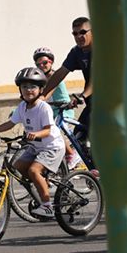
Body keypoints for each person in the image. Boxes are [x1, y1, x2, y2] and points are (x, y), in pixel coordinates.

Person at [0, 67, 66, 219]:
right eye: (24, 86)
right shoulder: (22, 107)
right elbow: (10, 123)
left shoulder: (43, 108)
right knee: (18, 167)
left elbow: (48, 130)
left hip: (52, 147)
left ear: (40, 89)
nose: (28, 90)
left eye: (33, 86)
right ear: (20, 90)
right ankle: (41, 184)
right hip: (36, 146)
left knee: (33, 171)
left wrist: (35, 134)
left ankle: (47, 207)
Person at [39, 16, 93, 155]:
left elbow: (99, 79)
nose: (79, 36)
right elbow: (60, 73)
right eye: (75, 33)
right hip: (93, 102)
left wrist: (83, 96)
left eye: (83, 32)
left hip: (112, 101)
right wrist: (42, 96)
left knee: (99, 135)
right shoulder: (76, 52)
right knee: (79, 137)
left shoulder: (102, 50)